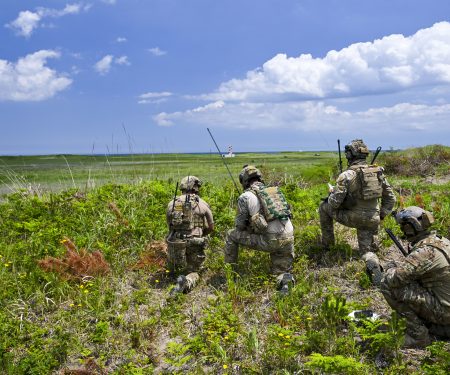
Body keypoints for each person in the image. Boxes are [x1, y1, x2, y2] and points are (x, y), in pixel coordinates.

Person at [377, 206, 450, 347]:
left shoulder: (424, 252)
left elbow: (395, 279)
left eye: (403, 227)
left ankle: (418, 336)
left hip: (445, 311)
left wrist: (390, 269)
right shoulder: (443, 241)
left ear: (410, 227)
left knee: (387, 284)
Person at [319, 139, 396, 265]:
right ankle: (371, 256)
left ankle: (328, 246)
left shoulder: (347, 175)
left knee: (323, 207)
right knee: (366, 252)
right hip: (373, 219)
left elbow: (334, 204)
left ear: (350, 155)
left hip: (355, 218)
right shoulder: (377, 172)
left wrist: (332, 192)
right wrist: (381, 215)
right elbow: (391, 198)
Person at [224, 165, 295, 294]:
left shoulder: (245, 196)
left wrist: (248, 225)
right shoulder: (274, 191)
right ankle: (285, 283)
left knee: (231, 235)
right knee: (281, 271)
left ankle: (230, 274)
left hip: (271, 240)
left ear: (244, 181)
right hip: (288, 236)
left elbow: (239, 225)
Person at [166, 176, 214, 295]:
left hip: (176, 243)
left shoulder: (172, 203)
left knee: (175, 268)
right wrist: (201, 233)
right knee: (195, 271)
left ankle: (175, 270)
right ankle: (187, 281)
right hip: (195, 242)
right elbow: (211, 227)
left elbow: (169, 225)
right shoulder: (202, 204)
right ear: (196, 188)